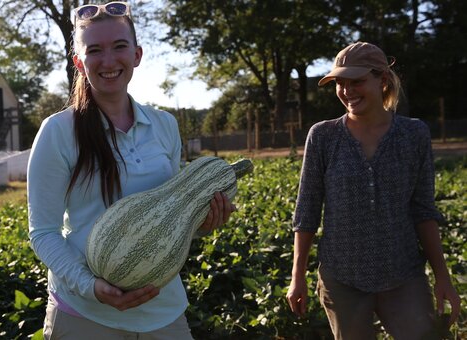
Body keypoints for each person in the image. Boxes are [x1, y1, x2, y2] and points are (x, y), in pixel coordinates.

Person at [27, 2, 234, 338]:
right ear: (79, 62)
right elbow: (43, 232)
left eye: (119, 47)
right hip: (86, 316)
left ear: (137, 54)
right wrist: (90, 286)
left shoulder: (165, 124)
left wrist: (203, 222)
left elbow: (173, 215)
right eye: (94, 50)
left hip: (164, 312)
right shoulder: (58, 131)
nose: (108, 61)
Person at [285, 41, 461, 339]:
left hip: (403, 275)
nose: (347, 91)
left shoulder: (413, 134)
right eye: (340, 83)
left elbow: (423, 210)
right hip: (342, 278)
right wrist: (296, 277)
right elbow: (307, 211)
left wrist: (442, 276)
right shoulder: (323, 136)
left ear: (382, 80)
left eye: (356, 81)